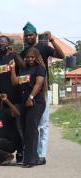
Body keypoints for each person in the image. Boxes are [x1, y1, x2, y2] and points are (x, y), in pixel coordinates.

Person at [20, 22, 65, 165]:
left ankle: (41, 154)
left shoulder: (44, 47)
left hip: (42, 90)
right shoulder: (24, 52)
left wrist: (52, 39)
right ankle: (32, 153)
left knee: (43, 124)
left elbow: (61, 55)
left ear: (36, 35)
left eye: (31, 35)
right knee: (32, 125)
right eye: (26, 35)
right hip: (28, 92)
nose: (28, 37)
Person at [12, 47, 47, 168]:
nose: (30, 59)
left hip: (36, 102)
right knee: (25, 130)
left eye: (32, 57)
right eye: (28, 57)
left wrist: (30, 97)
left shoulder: (40, 68)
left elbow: (39, 84)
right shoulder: (24, 69)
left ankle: (30, 160)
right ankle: (34, 157)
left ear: (37, 58)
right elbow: (15, 82)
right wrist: (12, 69)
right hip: (25, 102)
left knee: (31, 131)